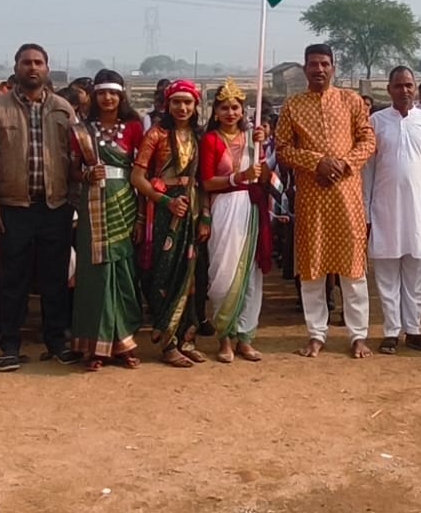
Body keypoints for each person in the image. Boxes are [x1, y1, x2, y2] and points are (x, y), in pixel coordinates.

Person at [274, 44, 378, 359]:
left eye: (324, 63)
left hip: (346, 197)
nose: (318, 69)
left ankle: (358, 335)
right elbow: (282, 148)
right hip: (312, 198)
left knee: (353, 270)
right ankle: (316, 334)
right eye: (312, 64)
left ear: (333, 66)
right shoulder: (293, 106)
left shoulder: (351, 100)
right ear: (304, 68)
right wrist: (316, 161)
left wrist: (343, 164)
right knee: (312, 270)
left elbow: (368, 139)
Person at [0, 45, 80, 372]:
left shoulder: (63, 108)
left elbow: (78, 156)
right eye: (27, 63)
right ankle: (10, 345)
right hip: (14, 208)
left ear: (47, 68)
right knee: (14, 280)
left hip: (56, 206)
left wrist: (74, 203)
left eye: (38, 62)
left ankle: (56, 341)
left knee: (54, 279)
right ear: (16, 67)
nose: (33, 68)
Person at [365, 67, 421, 355]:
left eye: (409, 85)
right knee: (386, 275)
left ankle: (414, 330)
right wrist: (365, 215)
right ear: (388, 89)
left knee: (414, 276)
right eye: (398, 85)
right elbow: (368, 173)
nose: (405, 90)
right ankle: (390, 332)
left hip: (419, 212)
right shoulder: (376, 122)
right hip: (384, 209)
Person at [69, 71, 146, 371]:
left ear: (122, 95)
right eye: (102, 93)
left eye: (113, 93)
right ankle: (94, 345)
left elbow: (141, 172)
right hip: (93, 207)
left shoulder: (136, 128)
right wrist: (88, 175)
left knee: (124, 272)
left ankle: (123, 342)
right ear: (94, 96)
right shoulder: (82, 131)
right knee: (96, 274)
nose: (108, 98)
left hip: (125, 203)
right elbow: (73, 171)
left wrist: (140, 217)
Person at [131, 79, 208, 367]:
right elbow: (137, 178)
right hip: (163, 214)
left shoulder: (199, 137)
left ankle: (187, 339)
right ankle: (168, 343)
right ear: (167, 104)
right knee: (164, 276)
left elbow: (201, 183)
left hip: (191, 212)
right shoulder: (156, 135)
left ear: (196, 106)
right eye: (177, 102)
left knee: (189, 277)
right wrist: (166, 201)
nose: (182, 107)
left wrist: (205, 218)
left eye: (188, 102)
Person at [199, 78, 272, 363]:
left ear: (243, 111)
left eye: (236, 108)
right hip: (225, 209)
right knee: (224, 275)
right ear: (215, 112)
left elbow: (263, 177)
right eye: (225, 108)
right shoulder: (211, 140)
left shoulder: (252, 137)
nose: (231, 113)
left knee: (251, 275)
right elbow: (206, 183)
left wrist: (260, 150)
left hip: (251, 208)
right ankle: (224, 338)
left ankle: (245, 337)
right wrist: (236, 177)